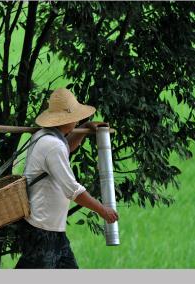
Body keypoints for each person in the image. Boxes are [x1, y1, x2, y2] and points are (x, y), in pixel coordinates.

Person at [15, 87, 119, 269]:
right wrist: (103, 210)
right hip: (42, 230)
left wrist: (85, 128)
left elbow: (66, 148)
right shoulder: (52, 144)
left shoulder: (47, 137)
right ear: (67, 119)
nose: (79, 118)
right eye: (77, 117)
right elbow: (73, 190)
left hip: (52, 231)